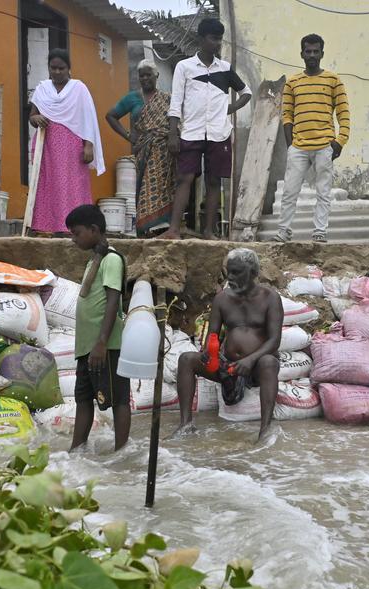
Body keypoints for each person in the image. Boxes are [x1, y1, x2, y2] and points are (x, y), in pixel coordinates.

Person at [175, 248, 282, 442]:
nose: (231, 278)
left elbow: (274, 340)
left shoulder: (270, 298)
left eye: (237, 272)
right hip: (228, 364)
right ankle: (185, 425)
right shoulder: (222, 299)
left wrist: (250, 360)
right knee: (186, 360)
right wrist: (209, 351)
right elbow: (213, 334)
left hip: (256, 365)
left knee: (269, 362)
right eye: (229, 272)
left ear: (253, 273)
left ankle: (265, 429)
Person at [163, 18, 252, 240]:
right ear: (201, 39)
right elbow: (176, 102)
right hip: (191, 131)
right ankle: (174, 229)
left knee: (214, 181)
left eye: (219, 39)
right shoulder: (184, 67)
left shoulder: (225, 69)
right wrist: (173, 133)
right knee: (185, 177)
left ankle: (209, 232)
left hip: (219, 132)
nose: (217, 43)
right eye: (213, 38)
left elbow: (246, 92)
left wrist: (228, 109)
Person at [66, 204, 131, 452]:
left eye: (77, 233)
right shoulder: (96, 260)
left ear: (94, 229)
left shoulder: (112, 260)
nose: (73, 239)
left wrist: (102, 342)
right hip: (87, 348)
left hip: (106, 346)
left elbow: (113, 300)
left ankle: (122, 451)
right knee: (83, 399)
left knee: (118, 399)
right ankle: (75, 451)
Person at [275, 34, 350, 244]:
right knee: (290, 191)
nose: (312, 55)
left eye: (316, 51)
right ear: (301, 54)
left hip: (325, 145)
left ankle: (320, 231)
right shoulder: (292, 83)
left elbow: (343, 113)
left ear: (322, 54)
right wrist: (291, 145)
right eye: (308, 51)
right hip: (298, 147)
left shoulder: (333, 80)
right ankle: (284, 231)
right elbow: (287, 115)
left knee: (323, 192)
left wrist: (340, 141)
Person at [29, 49, 105, 236]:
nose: (56, 72)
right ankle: (47, 227)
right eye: (53, 68)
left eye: (61, 68)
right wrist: (36, 118)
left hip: (72, 146)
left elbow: (88, 118)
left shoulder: (79, 89)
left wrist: (89, 145)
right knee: (49, 185)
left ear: (69, 69)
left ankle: (76, 228)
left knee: (72, 186)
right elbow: (32, 116)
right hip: (47, 146)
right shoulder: (42, 89)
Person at [106, 60, 174, 237]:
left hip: (165, 151)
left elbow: (176, 120)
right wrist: (128, 135)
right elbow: (111, 116)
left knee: (163, 186)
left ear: (156, 76)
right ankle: (145, 227)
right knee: (144, 187)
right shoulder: (132, 98)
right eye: (141, 75)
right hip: (143, 150)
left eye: (148, 75)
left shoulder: (167, 98)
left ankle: (164, 226)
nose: (145, 78)